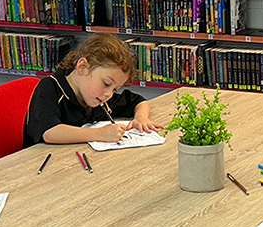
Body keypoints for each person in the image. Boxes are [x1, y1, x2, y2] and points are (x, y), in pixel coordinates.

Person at [23, 34, 161, 147]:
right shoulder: (49, 88)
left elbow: (138, 102)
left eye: (115, 89)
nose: (109, 94)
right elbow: (50, 132)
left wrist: (141, 118)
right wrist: (100, 134)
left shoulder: (97, 96)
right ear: (83, 67)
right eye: (107, 83)